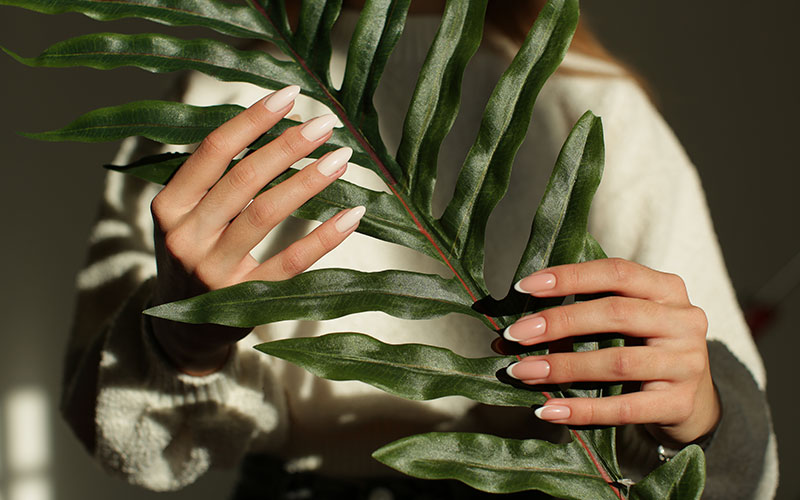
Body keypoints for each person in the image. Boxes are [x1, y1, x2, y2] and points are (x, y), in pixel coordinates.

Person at [61, 0, 777, 498]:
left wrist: (699, 416)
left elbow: (732, 449)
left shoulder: (588, 102)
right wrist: (181, 344)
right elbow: (117, 429)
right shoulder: (221, 94)